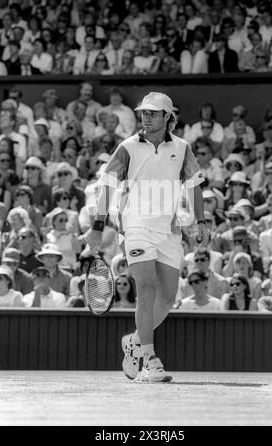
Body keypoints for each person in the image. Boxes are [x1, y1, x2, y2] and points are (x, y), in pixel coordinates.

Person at [86, 91, 208, 383]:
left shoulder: (183, 147)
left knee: (167, 297)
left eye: (153, 113)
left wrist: (200, 220)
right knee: (148, 287)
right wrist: (98, 225)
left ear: (168, 117)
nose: (146, 117)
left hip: (168, 229)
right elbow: (108, 187)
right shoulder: (127, 147)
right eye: (144, 112)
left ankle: (134, 341)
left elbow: (193, 186)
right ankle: (150, 360)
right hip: (136, 225)